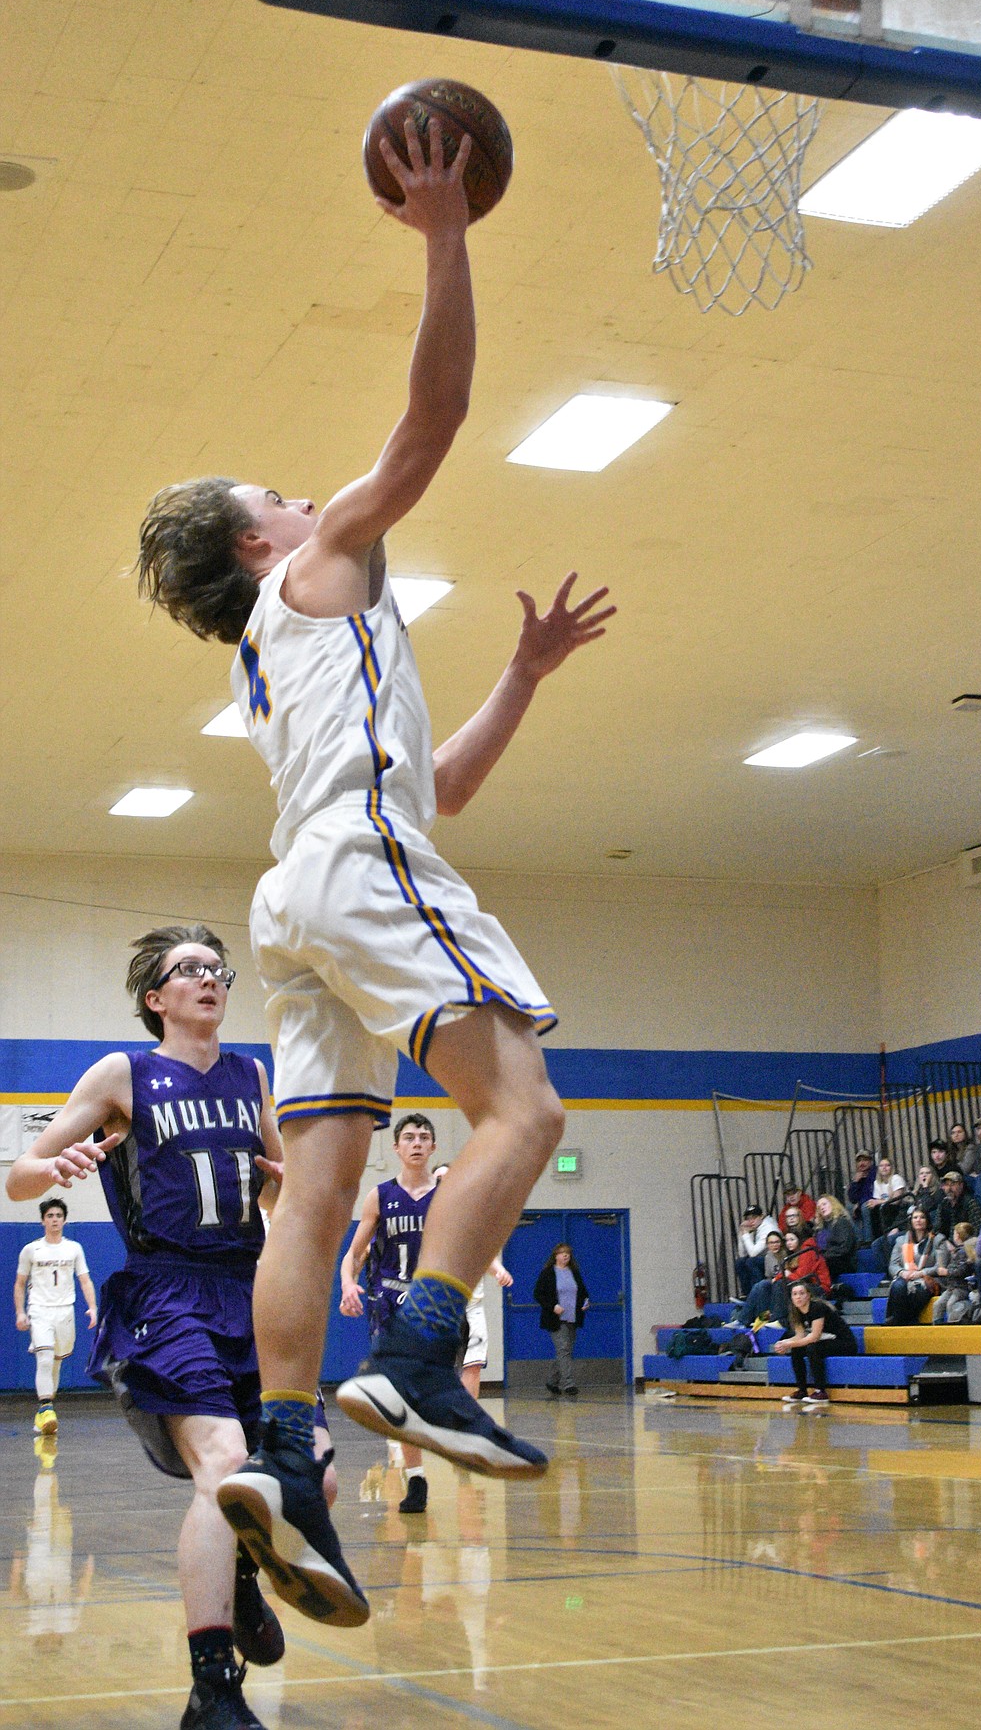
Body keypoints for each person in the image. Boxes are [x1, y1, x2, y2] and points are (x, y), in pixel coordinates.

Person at [137, 120, 614, 1620]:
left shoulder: (295, 660)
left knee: (318, 1194)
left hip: (305, 887)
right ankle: (418, 1363)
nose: (307, 493)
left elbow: (444, 789)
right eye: (278, 490)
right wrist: (444, 230)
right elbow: (436, 415)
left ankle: (280, 1449)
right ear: (258, 539)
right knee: (522, 1105)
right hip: (354, 859)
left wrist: (523, 675)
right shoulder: (316, 564)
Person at [4, 926, 297, 1730]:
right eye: (188, 970)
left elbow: (279, 1198)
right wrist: (51, 1168)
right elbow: (20, 1172)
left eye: (217, 968)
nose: (208, 978)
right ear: (155, 997)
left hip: (249, 1291)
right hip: (166, 1292)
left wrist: (284, 1184)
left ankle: (239, 1581)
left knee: (306, 1473)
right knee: (227, 1463)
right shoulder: (122, 1073)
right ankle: (212, 1688)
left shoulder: (253, 1077)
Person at [339, 1113, 439, 1514]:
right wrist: (348, 1283)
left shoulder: (447, 1193)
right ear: (396, 1148)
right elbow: (355, 1252)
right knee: (403, 1395)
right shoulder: (380, 1196)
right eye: (409, 1137)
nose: (416, 1143)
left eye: (424, 1137)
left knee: (423, 1396)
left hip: (432, 1304)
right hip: (389, 1302)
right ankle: (416, 1481)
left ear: (433, 1147)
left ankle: (421, 1462)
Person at [13, 1198, 97, 1436]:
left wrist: (92, 1307)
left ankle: (43, 1414)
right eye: (50, 1216)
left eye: (58, 1216)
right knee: (45, 1359)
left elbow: (84, 1279)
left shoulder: (73, 1248)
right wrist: (20, 1312)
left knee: (56, 1363)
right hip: (39, 1310)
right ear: (43, 1220)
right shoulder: (31, 1249)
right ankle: (46, 1407)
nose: (54, 1220)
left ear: (65, 1220)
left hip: (65, 1311)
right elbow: (20, 1284)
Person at [430, 1163, 512, 1401]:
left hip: (471, 1303)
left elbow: (483, 1252)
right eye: (439, 1179)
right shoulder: (423, 1214)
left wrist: (498, 1269)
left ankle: (466, 1423)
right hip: (437, 1303)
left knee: (473, 1365)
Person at [771, 1280, 857, 1410]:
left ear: (808, 1295)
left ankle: (820, 1392)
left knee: (813, 1347)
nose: (798, 1296)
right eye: (794, 1294)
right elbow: (800, 1336)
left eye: (801, 1293)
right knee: (797, 1349)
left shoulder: (817, 1307)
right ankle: (801, 1390)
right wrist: (785, 1343)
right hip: (827, 1341)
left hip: (845, 1343)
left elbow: (814, 1336)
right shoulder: (796, 1312)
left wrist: (789, 1344)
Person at [533, 1243, 588, 1396]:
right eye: (562, 1253)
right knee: (564, 1349)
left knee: (565, 1351)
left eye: (568, 1254)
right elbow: (538, 1294)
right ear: (555, 1255)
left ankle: (551, 1381)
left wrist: (585, 1302)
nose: (565, 1256)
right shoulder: (548, 1273)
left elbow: (583, 1292)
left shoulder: (574, 1272)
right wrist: (552, 1306)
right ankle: (568, 1384)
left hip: (573, 1317)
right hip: (556, 1319)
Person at [886, 1207, 950, 1325]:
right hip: (907, 1276)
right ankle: (898, 1320)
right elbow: (893, 1265)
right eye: (915, 1217)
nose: (918, 1220)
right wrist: (902, 1272)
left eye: (922, 1217)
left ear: (927, 1220)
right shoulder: (901, 1241)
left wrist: (921, 1273)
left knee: (919, 1291)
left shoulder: (938, 1239)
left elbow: (941, 1266)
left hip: (930, 1279)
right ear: (911, 1221)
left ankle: (900, 1321)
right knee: (898, 1286)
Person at [729, 1230, 785, 1326]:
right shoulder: (768, 1256)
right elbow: (769, 1276)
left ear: (781, 1243)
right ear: (767, 1245)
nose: (774, 1245)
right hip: (774, 1283)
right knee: (761, 1288)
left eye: (777, 1242)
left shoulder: (785, 1254)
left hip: (783, 1284)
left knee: (761, 1285)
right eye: (771, 1243)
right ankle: (759, 1320)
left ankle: (742, 1320)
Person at [933, 1222, 977, 1324]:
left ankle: (953, 1325)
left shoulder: (964, 1252)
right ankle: (937, 1326)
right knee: (938, 1304)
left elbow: (962, 1270)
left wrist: (947, 1272)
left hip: (961, 1287)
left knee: (951, 1304)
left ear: (958, 1235)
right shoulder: (958, 1252)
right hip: (952, 1286)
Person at [734, 1204, 780, 1296]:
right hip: (764, 1258)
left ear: (761, 1216)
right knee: (740, 1262)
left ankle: (758, 1294)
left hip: (776, 1260)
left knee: (752, 1262)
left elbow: (753, 1253)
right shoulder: (756, 1227)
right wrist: (742, 1233)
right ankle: (747, 1294)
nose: (751, 1221)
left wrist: (746, 1234)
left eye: (754, 1217)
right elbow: (742, 1254)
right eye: (748, 1218)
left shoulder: (768, 1227)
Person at [813, 1195, 858, 1281]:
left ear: (833, 1204)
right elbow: (821, 1248)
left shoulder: (842, 1222)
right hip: (828, 1260)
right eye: (819, 1207)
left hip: (844, 1261)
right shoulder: (822, 1228)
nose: (822, 1208)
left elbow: (845, 1248)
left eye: (824, 1204)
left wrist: (824, 1256)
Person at [866, 1156, 909, 1237]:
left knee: (884, 1208)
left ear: (891, 1168)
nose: (884, 1168)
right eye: (881, 1166)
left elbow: (896, 1200)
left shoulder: (896, 1178)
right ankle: (876, 1237)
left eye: (887, 1165)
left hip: (901, 1208)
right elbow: (878, 1201)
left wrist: (878, 1202)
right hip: (887, 1208)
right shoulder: (877, 1182)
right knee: (871, 1209)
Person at [937, 1171, 980, 1241]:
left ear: (961, 1185)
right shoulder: (943, 1204)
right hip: (947, 1245)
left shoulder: (970, 1203)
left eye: (953, 1184)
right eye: (946, 1185)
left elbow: (977, 1230)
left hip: (965, 1244)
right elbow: (937, 1229)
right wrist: (946, 1242)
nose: (949, 1188)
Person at [846, 1152, 876, 1240]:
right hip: (861, 1203)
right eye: (859, 1161)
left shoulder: (874, 1173)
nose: (862, 1163)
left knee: (865, 1207)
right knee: (849, 1207)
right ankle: (859, 1239)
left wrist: (859, 1204)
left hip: (875, 1201)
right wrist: (855, 1182)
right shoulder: (858, 1176)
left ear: (870, 1162)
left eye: (865, 1160)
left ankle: (868, 1240)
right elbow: (852, 1198)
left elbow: (872, 1192)